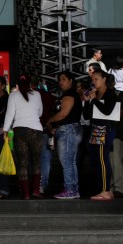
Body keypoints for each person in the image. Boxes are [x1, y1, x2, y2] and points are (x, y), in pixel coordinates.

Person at [3, 74, 43, 200]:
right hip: (36, 130)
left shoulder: (13, 95)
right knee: (36, 162)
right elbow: (40, 112)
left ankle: (25, 194)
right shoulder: (37, 94)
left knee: (23, 164)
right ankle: (36, 191)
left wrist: (5, 130)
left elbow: (10, 114)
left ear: (17, 84)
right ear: (30, 83)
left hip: (20, 131)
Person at [82, 69, 119, 201]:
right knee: (96, 160)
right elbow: (86, 115)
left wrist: (94, 100)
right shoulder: (94, 94)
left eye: (96, 79)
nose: (94, 81)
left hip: (106, 129)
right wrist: (87, 101)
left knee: (103, 159)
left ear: (104, 79)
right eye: (92, 79)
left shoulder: (110, 94)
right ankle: (103, 188)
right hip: (95, 129)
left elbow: (107, 111)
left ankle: (106, 190)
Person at [46, 71, 83, 199]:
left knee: (67, 161)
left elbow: (63, 113)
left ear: (71, 81)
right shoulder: (73, 95)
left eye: (63, 79)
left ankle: (70, 189)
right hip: (73, 129)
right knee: (71, 162)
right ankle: (73, 188)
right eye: (59, 79)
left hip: (69, 130)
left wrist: (50, 121)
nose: (60, 82)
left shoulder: (69, 94)